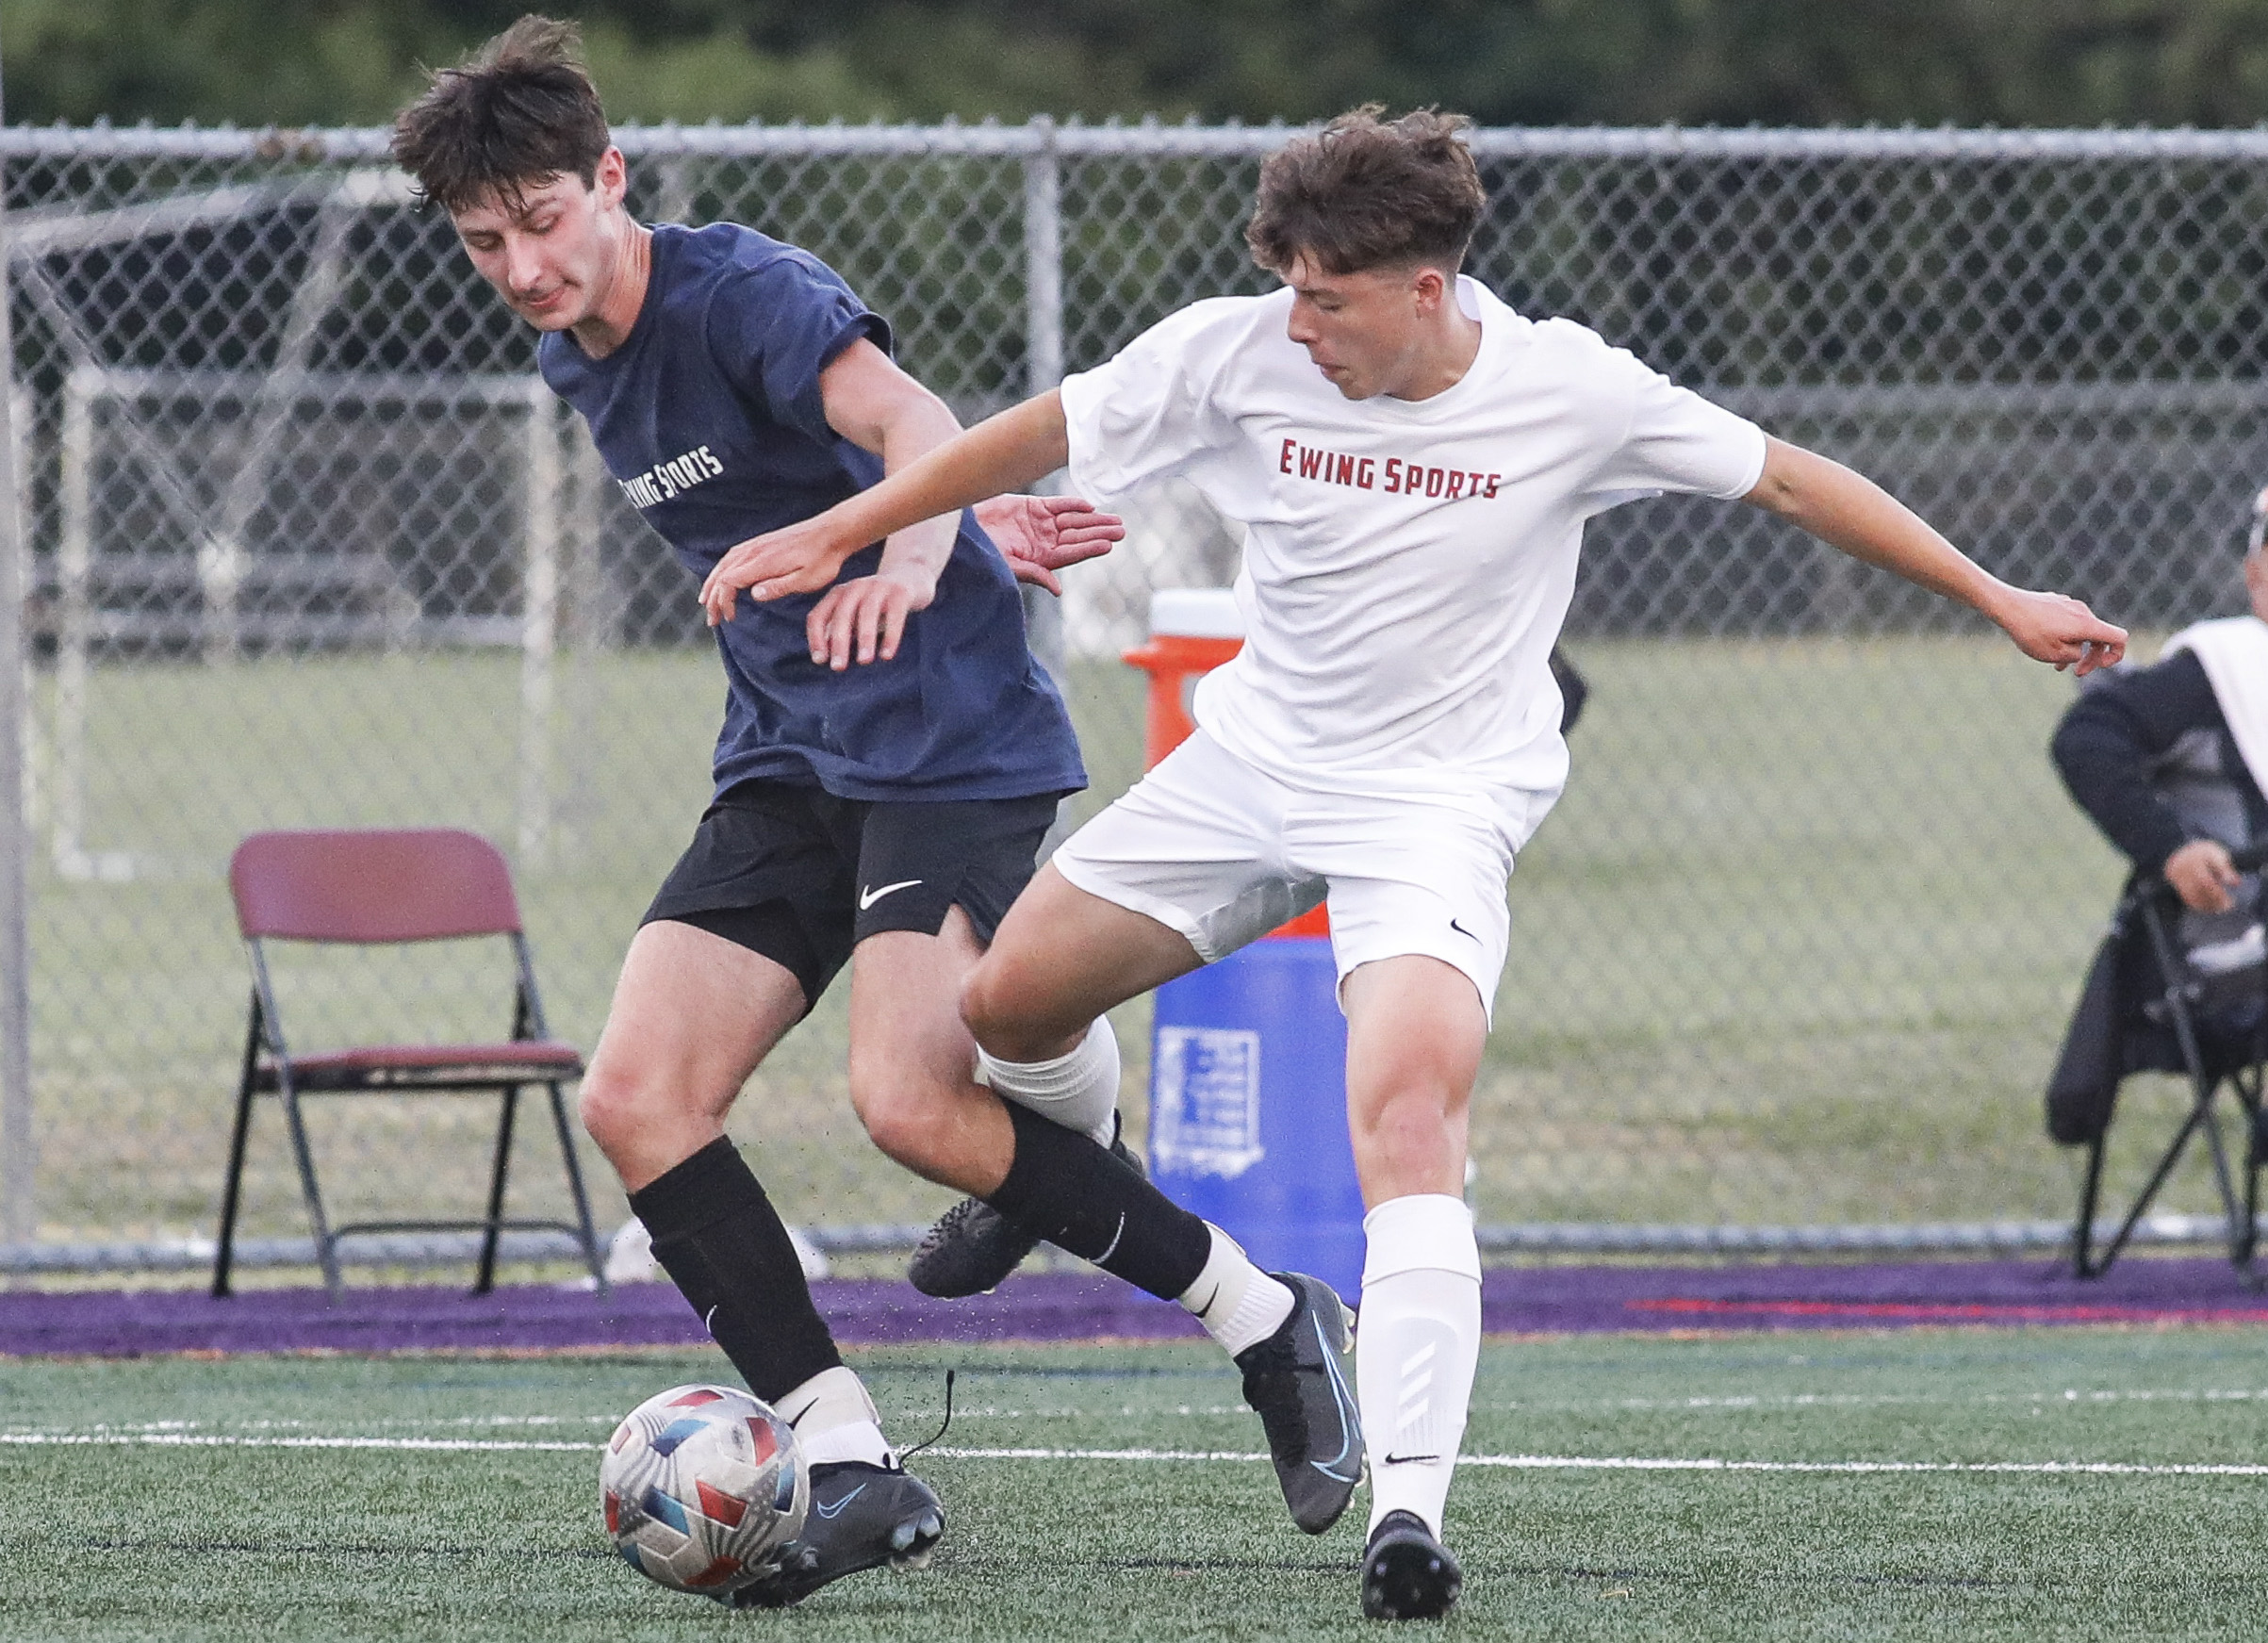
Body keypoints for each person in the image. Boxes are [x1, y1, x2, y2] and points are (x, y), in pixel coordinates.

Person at [701, 107, 2128, 1620]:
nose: (1298, 323)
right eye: (1291, 291)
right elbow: (1042, 428)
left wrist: (1995, 594)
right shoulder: (1237, 348)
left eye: (1328, 298)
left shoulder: (1566, 389)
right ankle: (1066, 1175)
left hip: (1435, 808)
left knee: (1405, 1110)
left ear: (1425, 287)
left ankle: (1409, 1510)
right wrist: (844, 526)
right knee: (1001, 1012)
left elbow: (1785, 478)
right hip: (1251, 765)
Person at [390, 18, 1367, 1606]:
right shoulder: (569, 353)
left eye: (544, 222)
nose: (520, 265)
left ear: (610, 179)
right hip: (787, 750)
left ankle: (1269, 1318)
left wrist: (924, 549)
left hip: (948, 736)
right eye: (483, 241)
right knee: (636, 1093)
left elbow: (901, 420)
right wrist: (975, 516)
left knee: (908, 1102)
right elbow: (834, 472)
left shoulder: (739, 292)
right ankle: (844, 1457)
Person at [2049, 477, 2268, 1149]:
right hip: (2245, 950)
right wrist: (2171, 847)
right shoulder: (2225, 668)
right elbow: (2088, 740)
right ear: (2254, 580)